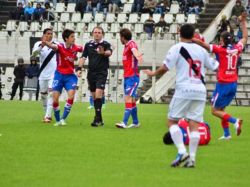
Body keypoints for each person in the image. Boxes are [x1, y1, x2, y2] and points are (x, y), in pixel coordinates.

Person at [143, 24, 218, 168]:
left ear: (179, 33)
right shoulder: (202, 51)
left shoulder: (177, 48)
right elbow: (215, 66)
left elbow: (166, 67)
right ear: (194, 35)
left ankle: (182, 151)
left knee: (172, 122)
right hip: (200, 90)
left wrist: (153, 73)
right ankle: (192, 159)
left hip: (184, 89)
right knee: (194, 125)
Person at [192, 12, 248, 140]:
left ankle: (235, 121)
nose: (219, 41)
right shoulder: (236, 48)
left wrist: (191, 38)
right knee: (222, 109)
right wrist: (244, 22)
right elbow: (245, 38)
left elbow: (203, 45)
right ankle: (227, 134)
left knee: (214, 110)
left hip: (223, 84)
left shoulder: (220, 49)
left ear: (222, 41)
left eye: (220, 39)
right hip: (233, 83)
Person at [42, 29, 83, 126]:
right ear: (66, 38)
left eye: (74, 36)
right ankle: (57, 120)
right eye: (72, 37)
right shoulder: (60, 46)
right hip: (59, 76)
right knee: (55, 98)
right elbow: (53, 46)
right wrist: (46, 43)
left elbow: (86, 50)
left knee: (71, 96)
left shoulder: (76, 47)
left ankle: (63, 119)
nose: (74, 38)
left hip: (70, 76)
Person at [78, 26, 112, 127]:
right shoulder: (88, 45)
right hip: (91, 73)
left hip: (101, 73)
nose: (97, 34)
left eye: (99, 32)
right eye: (95, 32)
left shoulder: (105, 44)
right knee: (94, 97)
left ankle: (96, 120)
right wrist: (79, 68)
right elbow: (83, 57)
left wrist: (103, 53)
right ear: (93, 34)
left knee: (98, 94)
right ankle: (99, 118)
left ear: (102, 34)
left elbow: (109, 52)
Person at [116, 28, 143, 129]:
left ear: (123, 37)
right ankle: (136, 122)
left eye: (120, 37)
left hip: (133, 77)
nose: (120, 39)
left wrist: (138, 56)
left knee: (128, 98)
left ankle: (124, 122)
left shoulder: (131, 44)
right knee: (131, 100)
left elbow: (135, 51)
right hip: (128, 76)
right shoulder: (126, 46)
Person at [32, 28, 57, 123]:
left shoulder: (55, 44)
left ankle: (48, 116)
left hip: (53, 73)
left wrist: (47, 44)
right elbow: (34, 54)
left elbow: (55, 48)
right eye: (48, 34)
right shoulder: (38, 44)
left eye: (51, 34)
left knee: (51, 93)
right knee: (43, 95)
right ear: (44, 35)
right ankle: (46, 113)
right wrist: (41, 46)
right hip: (42, 73)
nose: (50, 35)